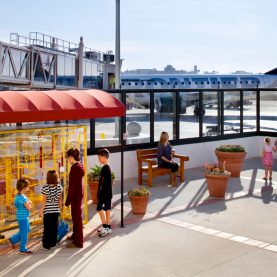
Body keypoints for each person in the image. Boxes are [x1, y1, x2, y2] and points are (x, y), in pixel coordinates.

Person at [65, 148, 85, 248]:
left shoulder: (74, 169)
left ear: (71, 157)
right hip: (79, 194)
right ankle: (75, 236)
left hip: (75, 196)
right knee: (76, 217)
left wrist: (68, 200)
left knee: (77, 218)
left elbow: (71, 187)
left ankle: (78, 242)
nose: (67, 160)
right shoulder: (80, 165)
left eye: (68, 158)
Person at [40, 170, 63, 250]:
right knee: (54, 227)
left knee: (47, 228)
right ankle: (53, 243)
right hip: (56, 211)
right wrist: (60, 208)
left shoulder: (45, 188)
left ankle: (46, 245)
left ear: (48, 178)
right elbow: (60, 199)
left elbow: (44, 201)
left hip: (47, 211)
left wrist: (41, 210)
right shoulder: (59, 187)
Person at [8, 179, 32, 254]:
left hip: (21, 217)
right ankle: (22, 249)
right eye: (28, 186)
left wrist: (28, 202)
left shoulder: (18, 196)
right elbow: (29, 208)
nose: (29, 187)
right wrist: (30, 204)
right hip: (23, 218)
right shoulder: (23, 197)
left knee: (26, 230)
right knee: (24, 233)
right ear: (23, 187)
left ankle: (12, 240)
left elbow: (15, 204)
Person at [97, 148, 113, 237]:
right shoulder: (108, 167)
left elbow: (101, 183)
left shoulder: (105, 168)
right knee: (107, 209)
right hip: (108, 193)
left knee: (99, 209)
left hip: (104, 193)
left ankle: (105, 226)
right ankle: (108, 227)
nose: (99, 159)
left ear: (104, 157)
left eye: (99, 157)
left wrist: (99, 193)